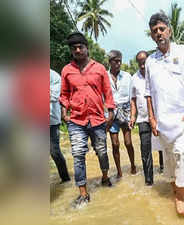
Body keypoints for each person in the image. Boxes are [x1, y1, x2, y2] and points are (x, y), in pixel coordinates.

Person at [144, 12, 184, 215]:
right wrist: (151, 117)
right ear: (151, 36)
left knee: (182, 155)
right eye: (154, 31)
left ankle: (179, 198)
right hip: (162, 120)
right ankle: (176, 188)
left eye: (161, 29)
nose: (159, 33)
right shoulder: (151, 61)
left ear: (170, 30)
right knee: (169, 158)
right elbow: (148, 92)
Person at [59, 32, 115, 206]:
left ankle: (105, 177)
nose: (77, 50)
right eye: (74, 48)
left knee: (102, 152)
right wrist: (64, 112)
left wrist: (111, 113)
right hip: (76, 120)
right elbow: (64, 94)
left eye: (80, 47)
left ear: (86, 48)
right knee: (77, 154)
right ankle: (83, 193)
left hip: (98, 119)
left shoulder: (99, 69)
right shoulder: (67, 70)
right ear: (71, 51)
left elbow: (108, 92)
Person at [130, 50, 163, 186]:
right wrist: (132, 116)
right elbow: (133, 99)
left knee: (163, 147)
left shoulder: (157, 74)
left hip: (159, 118)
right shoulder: (134, 79)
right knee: (145, 150)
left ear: (148, 61)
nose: (142, 66)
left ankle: (165, 172)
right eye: (140, 63)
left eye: (144, 62)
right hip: (143, 119)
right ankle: (149, 181)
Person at [107, 50, 136, 178]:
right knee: (115, 144)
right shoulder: (104, 76)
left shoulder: (127, 76)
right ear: (110, 62)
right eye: (115, 61)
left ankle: (133, 165)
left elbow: (132, 98)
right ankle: (119, 171)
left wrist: (133, 115)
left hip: (125, 110)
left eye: (120, 61)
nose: (118, 64)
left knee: (128, 142)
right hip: (111, 111)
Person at [50, 69, 70, 183]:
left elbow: (53, 97)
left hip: (51, 121)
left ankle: (65, 179)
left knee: (54, 152)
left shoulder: (54, 76)